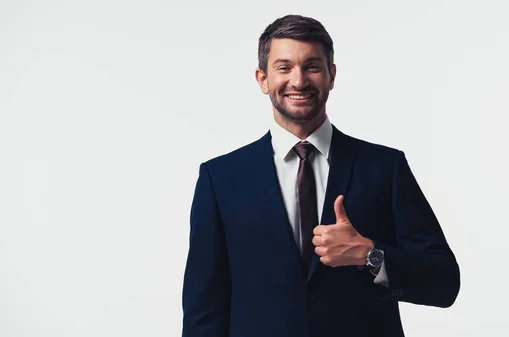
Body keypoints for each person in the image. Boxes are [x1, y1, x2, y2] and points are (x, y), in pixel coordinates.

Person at [182, 14, 460, 337]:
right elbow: (204, 313)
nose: (298, 81)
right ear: (262, 79)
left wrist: (371, 255)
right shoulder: (220, 180)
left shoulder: (385, 168)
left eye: (312, 66)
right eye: (284, 67)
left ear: (331, 75)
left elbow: (444, 282)